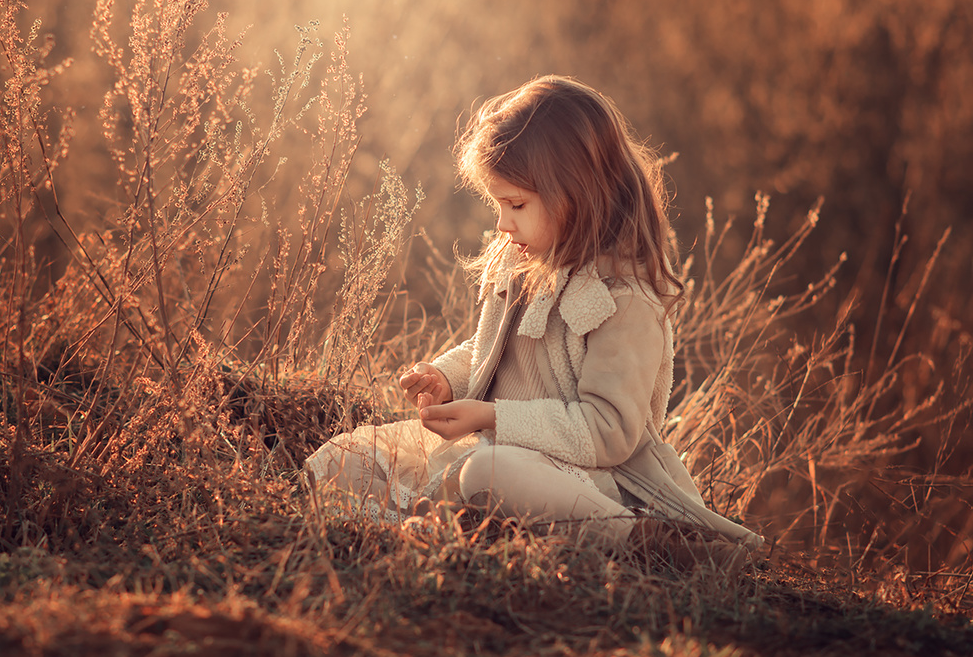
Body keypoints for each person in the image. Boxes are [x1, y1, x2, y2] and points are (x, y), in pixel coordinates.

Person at [304, 76, 762, 557]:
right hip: (491, 447)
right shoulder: (520, 261)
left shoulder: (624, 299)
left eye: (516, 204)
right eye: (497, 204)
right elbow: (493, 356)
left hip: (591, 481)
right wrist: (447, 377)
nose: (502, 223)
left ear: (576, 192)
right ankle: (450, 521)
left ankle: (644, 542)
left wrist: (493, 417)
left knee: (491, 473)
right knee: (341, 461)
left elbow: (609, 431)